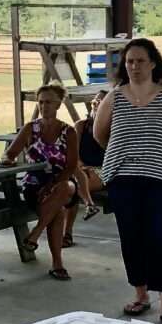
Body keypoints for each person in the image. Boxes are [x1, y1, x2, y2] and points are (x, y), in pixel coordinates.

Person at [94, 38, 162, 324]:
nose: (134, 66)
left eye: (140, 60)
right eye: (129, 61)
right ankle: (140, 294)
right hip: (123, 178)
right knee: (132, 237)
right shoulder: (114, 96)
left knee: (161, 239)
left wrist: (154, 153)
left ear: (152, 63)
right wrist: (124, 153)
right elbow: (100, 135)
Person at [0, 84, 78, 280]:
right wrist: (7, 159)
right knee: (58, 211)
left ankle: (36, 232)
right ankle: (57, 264)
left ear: (58, 104)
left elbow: (70, 166)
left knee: (65, 188)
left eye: (49, 102)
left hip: (60, 182)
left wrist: (50, 186)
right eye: (41, 102)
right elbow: (9, 153)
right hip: (34, 184)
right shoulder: (30, 128)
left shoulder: (68, 132)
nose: (44, 106)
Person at [63, 88, 107, 247]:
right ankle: (88, 206)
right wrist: (80, 164)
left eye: (102, 102)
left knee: (72, 186)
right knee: (71, 185)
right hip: (81, 169)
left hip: (103, 170)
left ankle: (66, 234)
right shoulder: (81, 126)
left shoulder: (113, 128)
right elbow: (73, 152)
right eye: (95, 101)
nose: (96, 104)